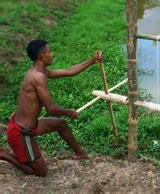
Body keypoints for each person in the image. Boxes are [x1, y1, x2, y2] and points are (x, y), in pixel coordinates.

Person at [0, 39, 103, 177]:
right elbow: (51, 108)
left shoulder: (41, 72)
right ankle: (4, 155)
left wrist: (92, 60)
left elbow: (68, 71)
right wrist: (69, 112)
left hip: (29, 126)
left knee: (61, 124)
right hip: (22, 133)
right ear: (43, 56)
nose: (52, 54)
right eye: (49, 52)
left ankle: (80, 153)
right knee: (41, 172)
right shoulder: (38, 77)